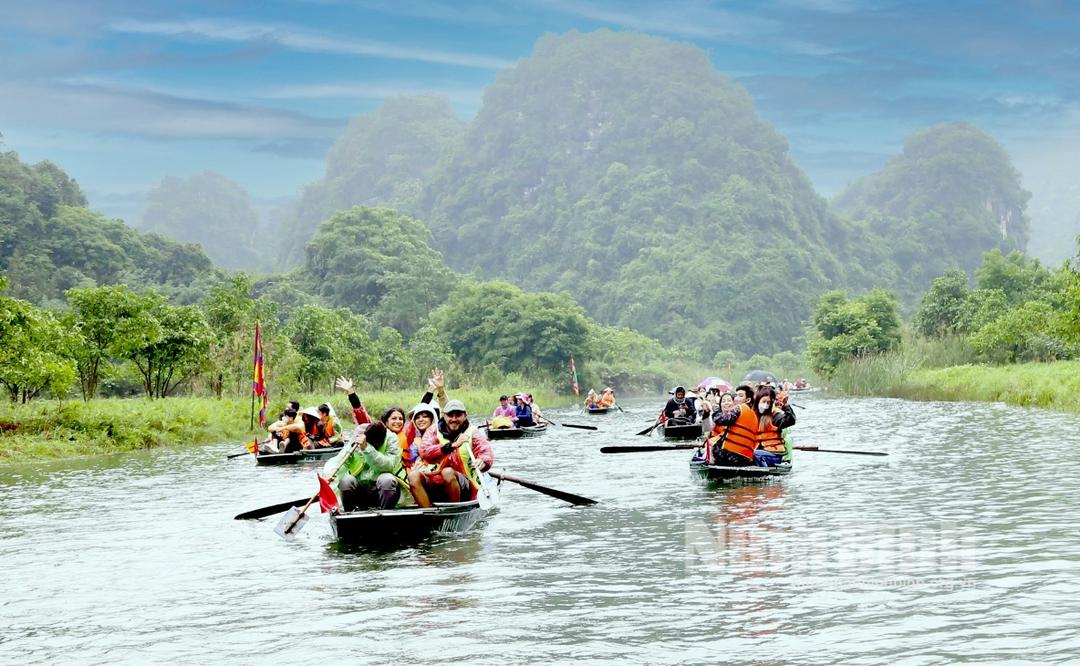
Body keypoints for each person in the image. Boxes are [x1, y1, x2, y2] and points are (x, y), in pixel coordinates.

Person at [412, 399, 494, 508]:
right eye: (450, 415)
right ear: (444, 416)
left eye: (458, 415)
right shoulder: (433, 431)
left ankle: (454, 512)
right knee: (413, 476)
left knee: (447, 472)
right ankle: (429, 512)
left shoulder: (472, 432)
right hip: (435, 479)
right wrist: (450, 446)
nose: (454, 419)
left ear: (465, 415)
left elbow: (485, 450)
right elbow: (426, 452)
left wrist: (483, 461)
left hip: (465, 483)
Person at [323, 422, 408, 511]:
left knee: (386, 479)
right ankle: (349, 514)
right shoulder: (356, 438)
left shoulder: (391, 439)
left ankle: (385, 513)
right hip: (362, 488)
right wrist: (329, 475)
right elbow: (338, 461)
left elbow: (389, 465)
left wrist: (367, 449)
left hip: (386, 490)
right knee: (346, 481)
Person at [750, 385, 795, 467]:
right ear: (757, 400)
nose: (765, 405)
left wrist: (786, 406)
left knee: (755, 454)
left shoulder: (774, 415)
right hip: (758, 450)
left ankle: (763, 474)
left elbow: (790, 420)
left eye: (768, 403)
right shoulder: (752, 414)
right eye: (763, 401)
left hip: (774, 453)